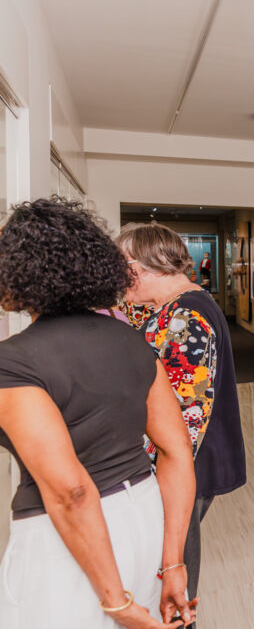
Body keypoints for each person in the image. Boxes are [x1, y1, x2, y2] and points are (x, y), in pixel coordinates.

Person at [0, 198, 196, 628]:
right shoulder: (132, 341)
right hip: (145, 514)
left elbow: (71, 492)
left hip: (66, 539)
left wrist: (115, 602)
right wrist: (174, 565)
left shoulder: (12, 362)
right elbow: (177, 450)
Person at [117, 222, 247, 606]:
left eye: (122, 268)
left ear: (142, 267)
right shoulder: (175, 306)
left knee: (172, 571)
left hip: (180, 469)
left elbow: (184, 415)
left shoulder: (185, 316)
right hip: (177, 466)